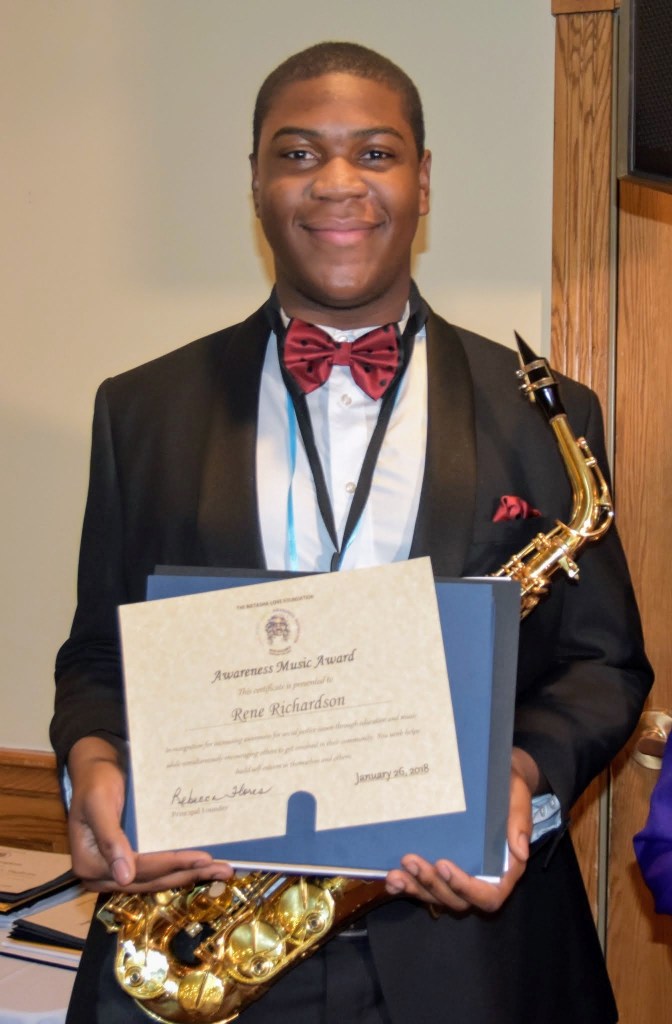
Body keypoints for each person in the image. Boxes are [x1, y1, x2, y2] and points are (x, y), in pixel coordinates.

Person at [51, 41, 652, 1024]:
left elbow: (606, 664)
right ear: (255, 182)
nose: (337, 182)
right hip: (210, 933)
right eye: (297, 154)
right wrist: (90, 763)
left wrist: (520, 773)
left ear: (424, 181)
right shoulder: (140, 409)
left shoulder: (543, 413)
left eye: (375, 153)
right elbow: (95, 654)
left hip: (473, 963)